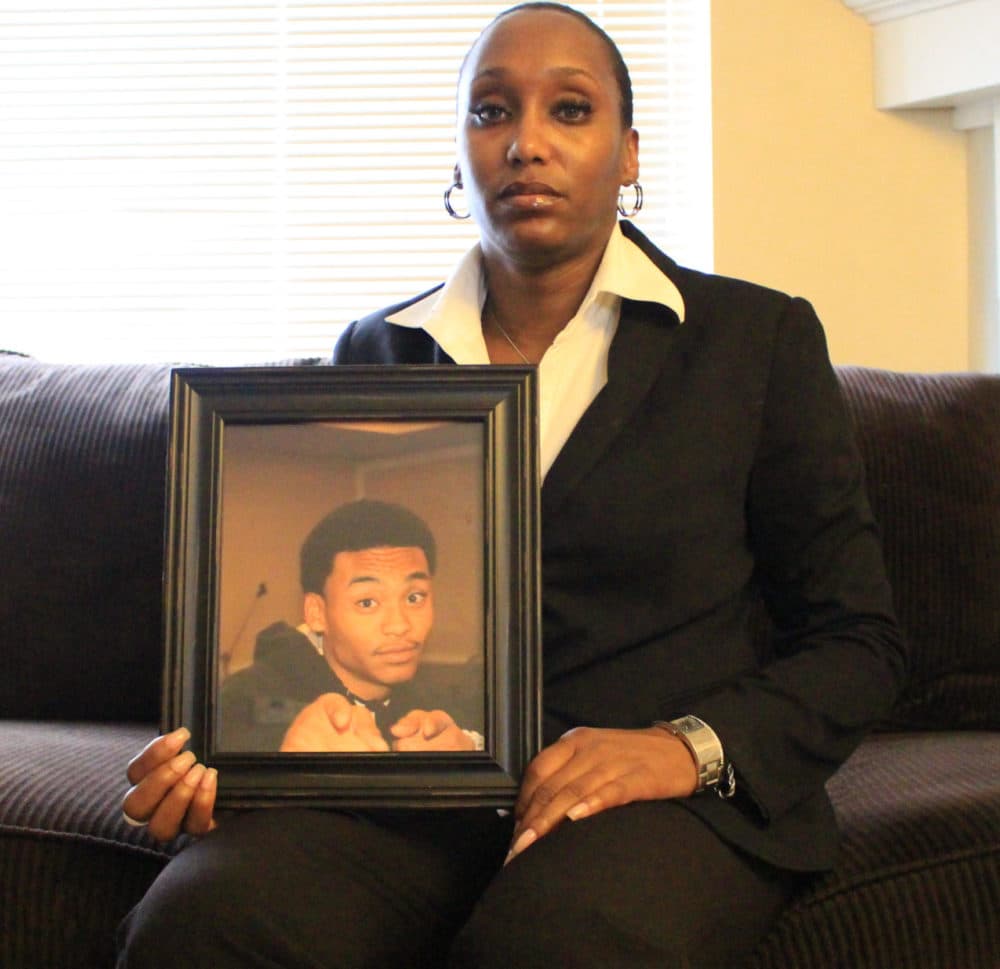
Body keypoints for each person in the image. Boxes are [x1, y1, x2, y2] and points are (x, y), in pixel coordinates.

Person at [116, 4, 907, 967]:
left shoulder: (755, 340)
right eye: (492, 112)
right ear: (460, 156)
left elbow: (857, 639)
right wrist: (232, 756)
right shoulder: (377, 352)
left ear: (628, 153)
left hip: (654, 804)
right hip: (411, 798)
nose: (526, 142)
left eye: (570, 111)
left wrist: (682, 746)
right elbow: (309, 660)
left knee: (555, 944)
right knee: (206, 918)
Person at [219, 498, 482, 753]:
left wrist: (470, 752)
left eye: (415, 598)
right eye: (367, 602)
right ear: (317, 613)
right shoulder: (238, 703)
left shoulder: (435, 703)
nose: (400, 625)